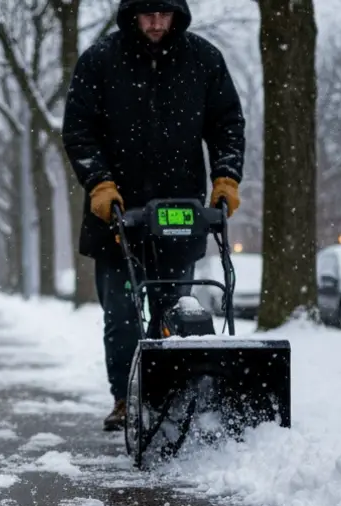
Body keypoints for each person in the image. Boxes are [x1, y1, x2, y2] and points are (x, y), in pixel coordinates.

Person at [62, 0, 245, 432]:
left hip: (180, 214)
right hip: (116, 215)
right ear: (132, 15)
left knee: (175, 308)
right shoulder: (100, 61)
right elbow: (79, 129)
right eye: (148, 14)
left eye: (165, 14)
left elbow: (227, 124)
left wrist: (226, 178)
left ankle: (171, 397)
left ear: (178, 14)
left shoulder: (203, 60)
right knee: (122, 315)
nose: (157, 23)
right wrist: (100, 183)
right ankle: (126, 398)